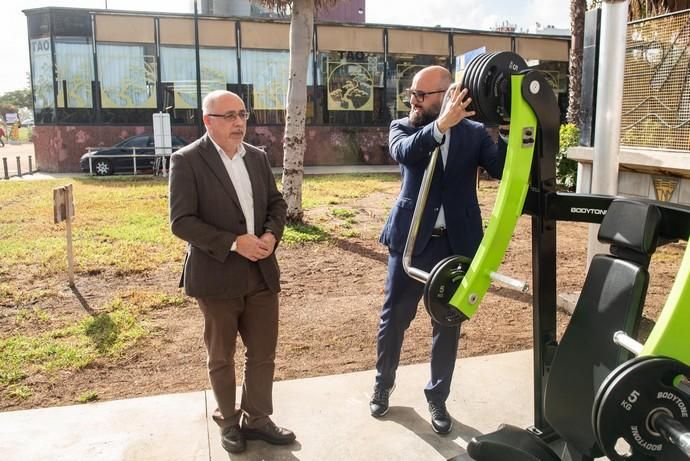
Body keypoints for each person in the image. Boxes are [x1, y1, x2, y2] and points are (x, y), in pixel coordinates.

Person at [370, 65, 508, 434]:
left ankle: (437, 397)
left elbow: (500, 168)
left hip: (455, 244)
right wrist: (440, 125)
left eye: (420, 95)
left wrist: (508, 126)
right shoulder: (404, 126)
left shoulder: (475, 133)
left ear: (446, 95)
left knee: (447, 324)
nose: (412, 100)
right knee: (394, 318)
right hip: (411, 242)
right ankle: (383, 384)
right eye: (412, 93)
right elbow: (405, 153)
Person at [169, 90, 292, 454]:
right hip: (216, 276)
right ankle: (228, 420)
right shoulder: (187, 160)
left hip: (261, 274)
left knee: (263, 353)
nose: (239, 122)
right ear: (208, 121)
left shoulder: (256, 157)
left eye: (242, 114)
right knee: (221, 355)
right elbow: (181, 221)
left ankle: (257, 419)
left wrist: (270, 234)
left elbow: (276, 203)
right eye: (229, 116)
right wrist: (236, 242)